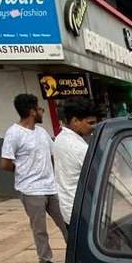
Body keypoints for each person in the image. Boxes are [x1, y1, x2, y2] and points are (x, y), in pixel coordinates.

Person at [0, 93, 67, 263]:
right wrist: (23, 170)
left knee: (66, 221)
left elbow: (54, 155)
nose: (41, 112)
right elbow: (5, 163)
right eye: (39, 108)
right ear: (31, 111)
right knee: (40, 228)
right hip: (30, 190)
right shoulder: (13, 133)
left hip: (51, 187)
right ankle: (46, 261)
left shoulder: (42, 132)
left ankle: (77, 253)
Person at [52, 97, 97, 227]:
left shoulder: (60, 138)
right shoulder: (77, 147)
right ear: (75, 121)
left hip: (69, 207)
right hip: (81, 211)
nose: (93, 127)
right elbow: (101, 173)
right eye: (90, 123)